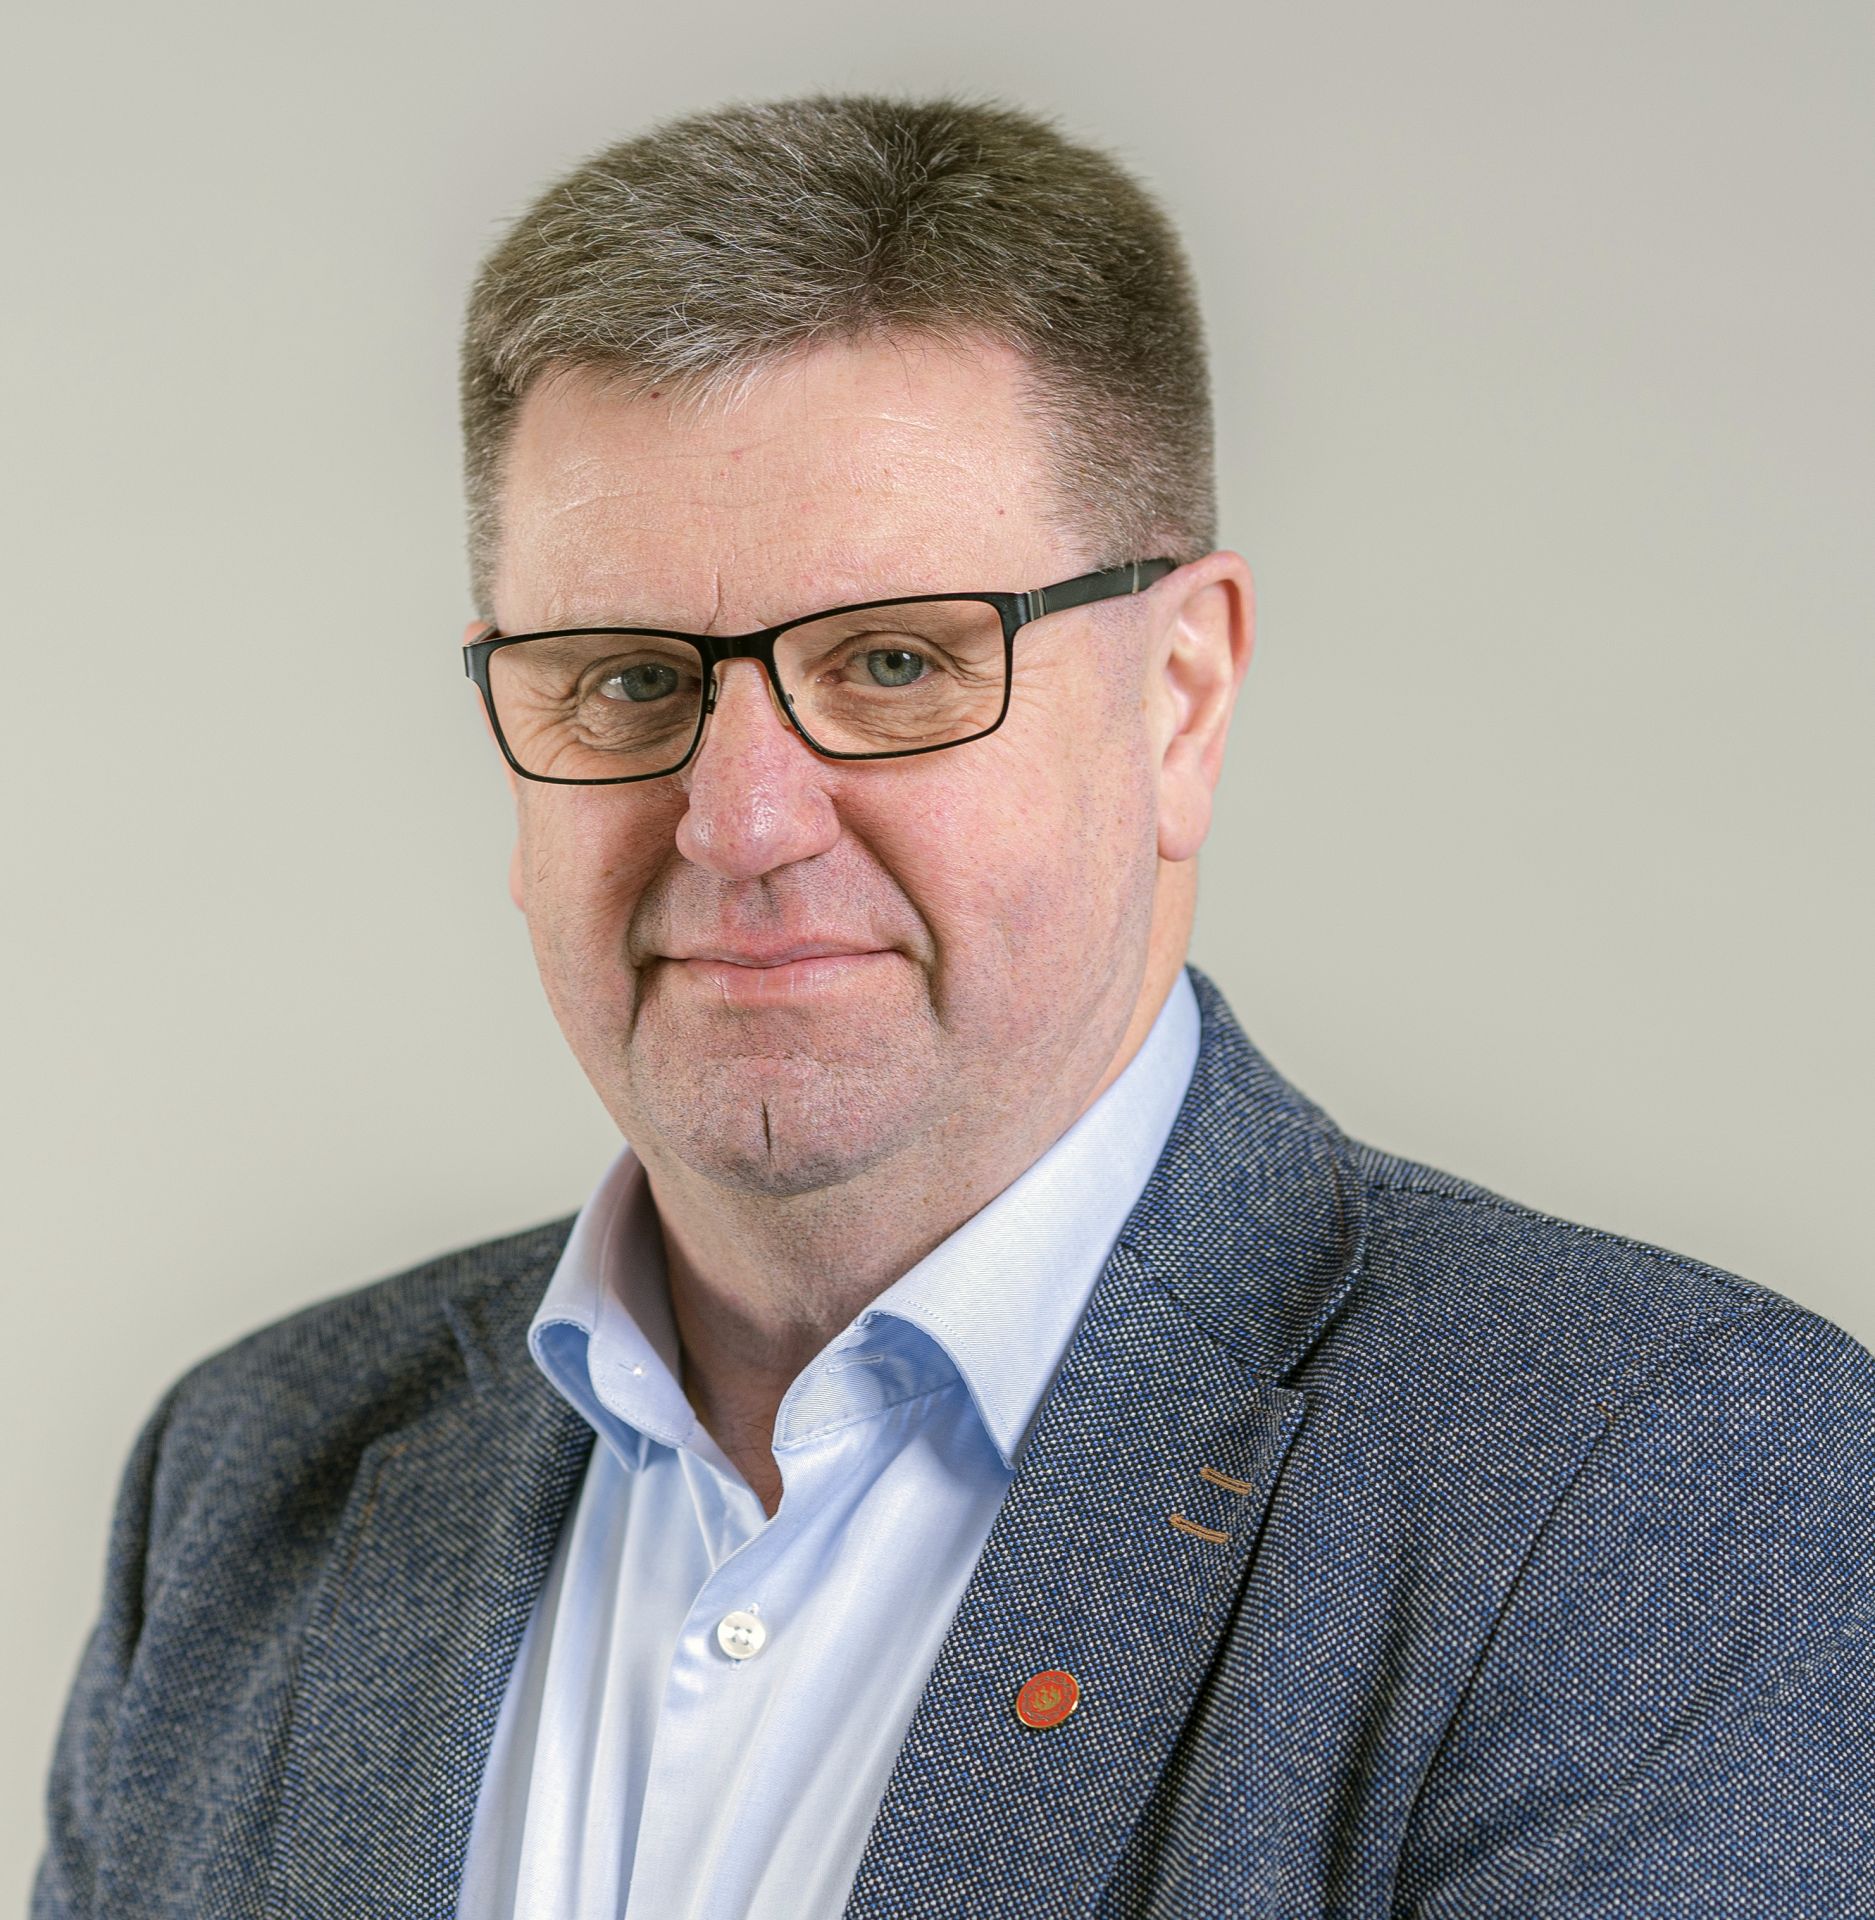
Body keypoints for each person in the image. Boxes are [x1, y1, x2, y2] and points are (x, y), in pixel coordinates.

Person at [35, 94, 1875, 1920]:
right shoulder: (249, 1478)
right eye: (626, 682)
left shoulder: (1659, 1493)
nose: (740, 822)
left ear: (1181, 696)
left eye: (896, 662)